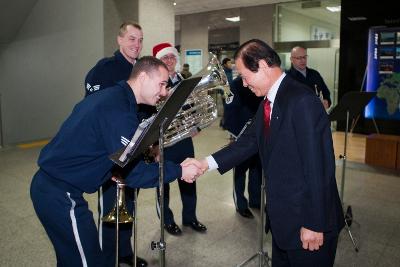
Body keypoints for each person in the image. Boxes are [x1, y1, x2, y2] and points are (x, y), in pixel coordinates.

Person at [183, 39, 344, 267]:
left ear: (263, 65)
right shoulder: (269, 100)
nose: (245, 84)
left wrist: (314, 223)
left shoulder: (302, 101)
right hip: (284, 224)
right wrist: (205, 164)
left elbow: (319, 167)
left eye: (245, 76)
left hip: (308, 226)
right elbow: (248, 142)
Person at [30, 57, 203, 267]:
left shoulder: (114, 98)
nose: (165, 92)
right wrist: (179, 171)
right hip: (60, 194)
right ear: (142, 77)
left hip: (55, 189)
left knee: (73, 259)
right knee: (89, 262)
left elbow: (100, 145)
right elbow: (135, 174)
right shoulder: (118, 110)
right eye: (162, 84)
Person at [83, 21, 148, 267]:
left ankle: (125, 252)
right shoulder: (104, 70)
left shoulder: (141, 70)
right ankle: (108, 259)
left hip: (136, 151)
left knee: (128, 204)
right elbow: (95, 114)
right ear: (119, 40)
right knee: (110, 209)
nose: (136, 44)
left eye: (140, 40)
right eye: (132, 39)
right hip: (111, 153)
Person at [152, 42, 207, 235]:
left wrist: (196, 125)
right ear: (158, 61)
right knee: (162, 184)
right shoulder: (154, 83)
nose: (169, 60)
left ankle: (190, 218)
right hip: (163, 144)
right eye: (165, 57)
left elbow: (196, 106)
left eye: (172, 57)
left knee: (189, 179)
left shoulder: (185, 81)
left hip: (183, 140)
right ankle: (167, 221)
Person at [223, 76, 263, 219]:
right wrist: (235, 135)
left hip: (259, 133)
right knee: (240, 171)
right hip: (241, 134)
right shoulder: (236, 84)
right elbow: (230, 111)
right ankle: (241, 204)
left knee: (257, 169)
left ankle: (256, 200)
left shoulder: (260, 80)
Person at [220, 57, 234, 129]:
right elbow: (221, 84)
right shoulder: (223, 72)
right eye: (229, 63)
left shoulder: (231, 71)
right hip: (225, 92)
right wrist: (223, 93)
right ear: (225, 64)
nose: (231, 64)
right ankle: (224, 124)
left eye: (231, 62)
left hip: (231, 92)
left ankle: (223, 122)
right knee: (226, 108)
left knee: (228, 108)